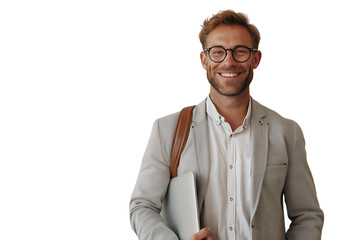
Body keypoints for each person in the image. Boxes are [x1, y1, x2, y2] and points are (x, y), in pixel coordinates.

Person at [129, 10, 324, 240]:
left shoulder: (286, 132)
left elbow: (306, 215)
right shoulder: (167, 130)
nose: (229, 61)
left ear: (256, 59)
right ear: (204, 60)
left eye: (240, 51)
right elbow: (142, 207)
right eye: (217, 52)